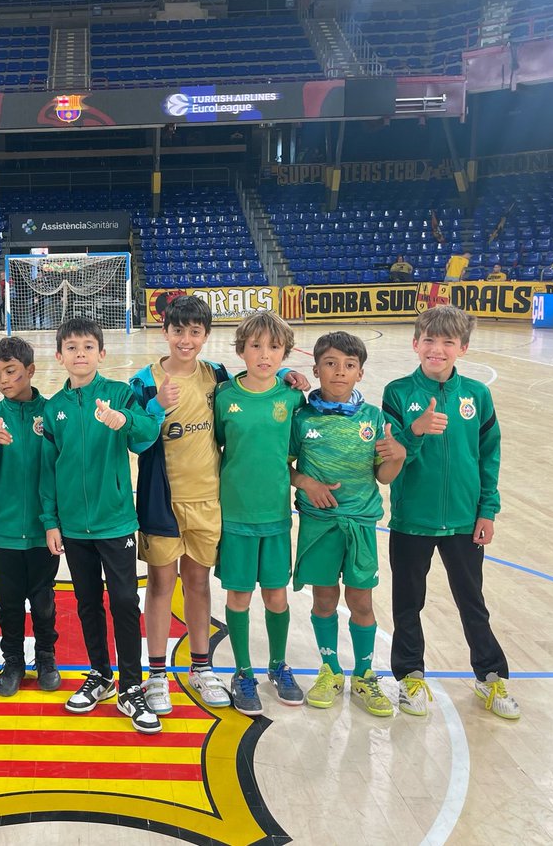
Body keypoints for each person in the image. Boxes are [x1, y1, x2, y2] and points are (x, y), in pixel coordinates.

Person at [130, 296, 307, 717]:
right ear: (165, 332)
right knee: (159, 585)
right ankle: (156, 674)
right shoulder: (143, 381)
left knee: (197, 583)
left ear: (207, 336)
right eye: (178, 331)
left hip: (208, 500)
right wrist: (156, 408)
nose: (186, 339)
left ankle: (200, 667)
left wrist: (287, 372)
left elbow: (257, 379)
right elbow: (135, 440)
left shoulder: (219, 378)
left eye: (195, 332)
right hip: (162, 500)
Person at [381, 305, 519, 720]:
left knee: (472, 601)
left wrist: (487, 510)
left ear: (463, 347)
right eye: (429, 340)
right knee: (408, 603)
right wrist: (416, 431)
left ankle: (490, 676)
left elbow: (488, 456)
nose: (436, 349)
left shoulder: (477, 395)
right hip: (412, 521)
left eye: (447, 342)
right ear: (415, 343)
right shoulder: (397, 393)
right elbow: (390, 458)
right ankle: (410, 676)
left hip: (463, 520)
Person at [40, 318, 162, 734]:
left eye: (88, 347)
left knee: (125, 602)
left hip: (114, 523)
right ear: (59, 356)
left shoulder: (119, 394)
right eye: (71, 347)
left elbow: (147, 431)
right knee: (88, 602)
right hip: (73, 528)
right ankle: (101, 675)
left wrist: (123, 421)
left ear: (102, 354)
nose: (80, 353)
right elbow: (47, 470)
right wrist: (50, 522)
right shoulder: (52, 408)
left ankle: (131, 686)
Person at [292, 332, 406, 717]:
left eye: (349, 365)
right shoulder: (301, 416)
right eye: (331, 363)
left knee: (360, 599)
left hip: (360, 523)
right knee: (325, 598)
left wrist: (398, 456)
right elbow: (283, 466)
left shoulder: (374, 419)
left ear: (360, 373)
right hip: (319, 523)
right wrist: (306, 482)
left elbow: (385, 476)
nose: (339, 372)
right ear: (316, 368)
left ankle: (364, 673)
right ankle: (330, 669)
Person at [214, 310, 306, 716]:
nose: (264, 355)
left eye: (274, 347)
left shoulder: (292, 398)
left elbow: (297, 454)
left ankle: (277, 665)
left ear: (286, 352)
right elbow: (215, 448)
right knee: (238, 595)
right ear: (241, 350)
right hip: (234, 514)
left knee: (275, 595)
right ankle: (243, 671)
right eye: (256, 346)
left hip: (275, 516)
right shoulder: (224, 397)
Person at [0, 337, 61, 697]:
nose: (4, 380)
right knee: (8, 600)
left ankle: (46, 656)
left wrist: (54, 518)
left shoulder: (53, 413)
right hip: (5, 530)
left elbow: (60, 467)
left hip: (43, 530)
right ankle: (12, 662)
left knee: (43, 599)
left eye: (10, 372)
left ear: (30, 371)